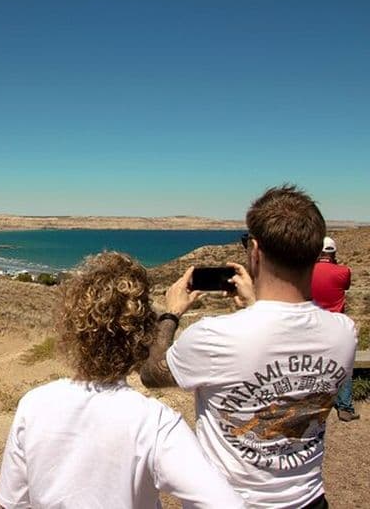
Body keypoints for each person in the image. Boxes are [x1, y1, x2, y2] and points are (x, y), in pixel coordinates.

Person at [140, 185, 357, 508]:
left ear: (254, 250)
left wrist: (171, 313)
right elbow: (279, 339)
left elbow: (151, 374)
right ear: (316, 252)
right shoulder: (344, 332)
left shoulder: (214, 336)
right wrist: (253, 305)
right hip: (310, 500)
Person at [0, 252, 243, 509]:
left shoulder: (34, 404)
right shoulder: (155, 422)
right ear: (143, 333)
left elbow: (12, 503)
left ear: (71, 328)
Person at [311, 236, 359, 422]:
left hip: (314, 322)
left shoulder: (307, 271)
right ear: (333, 252)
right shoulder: (343, 271)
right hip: (337, 323)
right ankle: (345, 407)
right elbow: (345, 286)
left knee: (313, 363)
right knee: (344, 363)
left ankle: (314, 404)